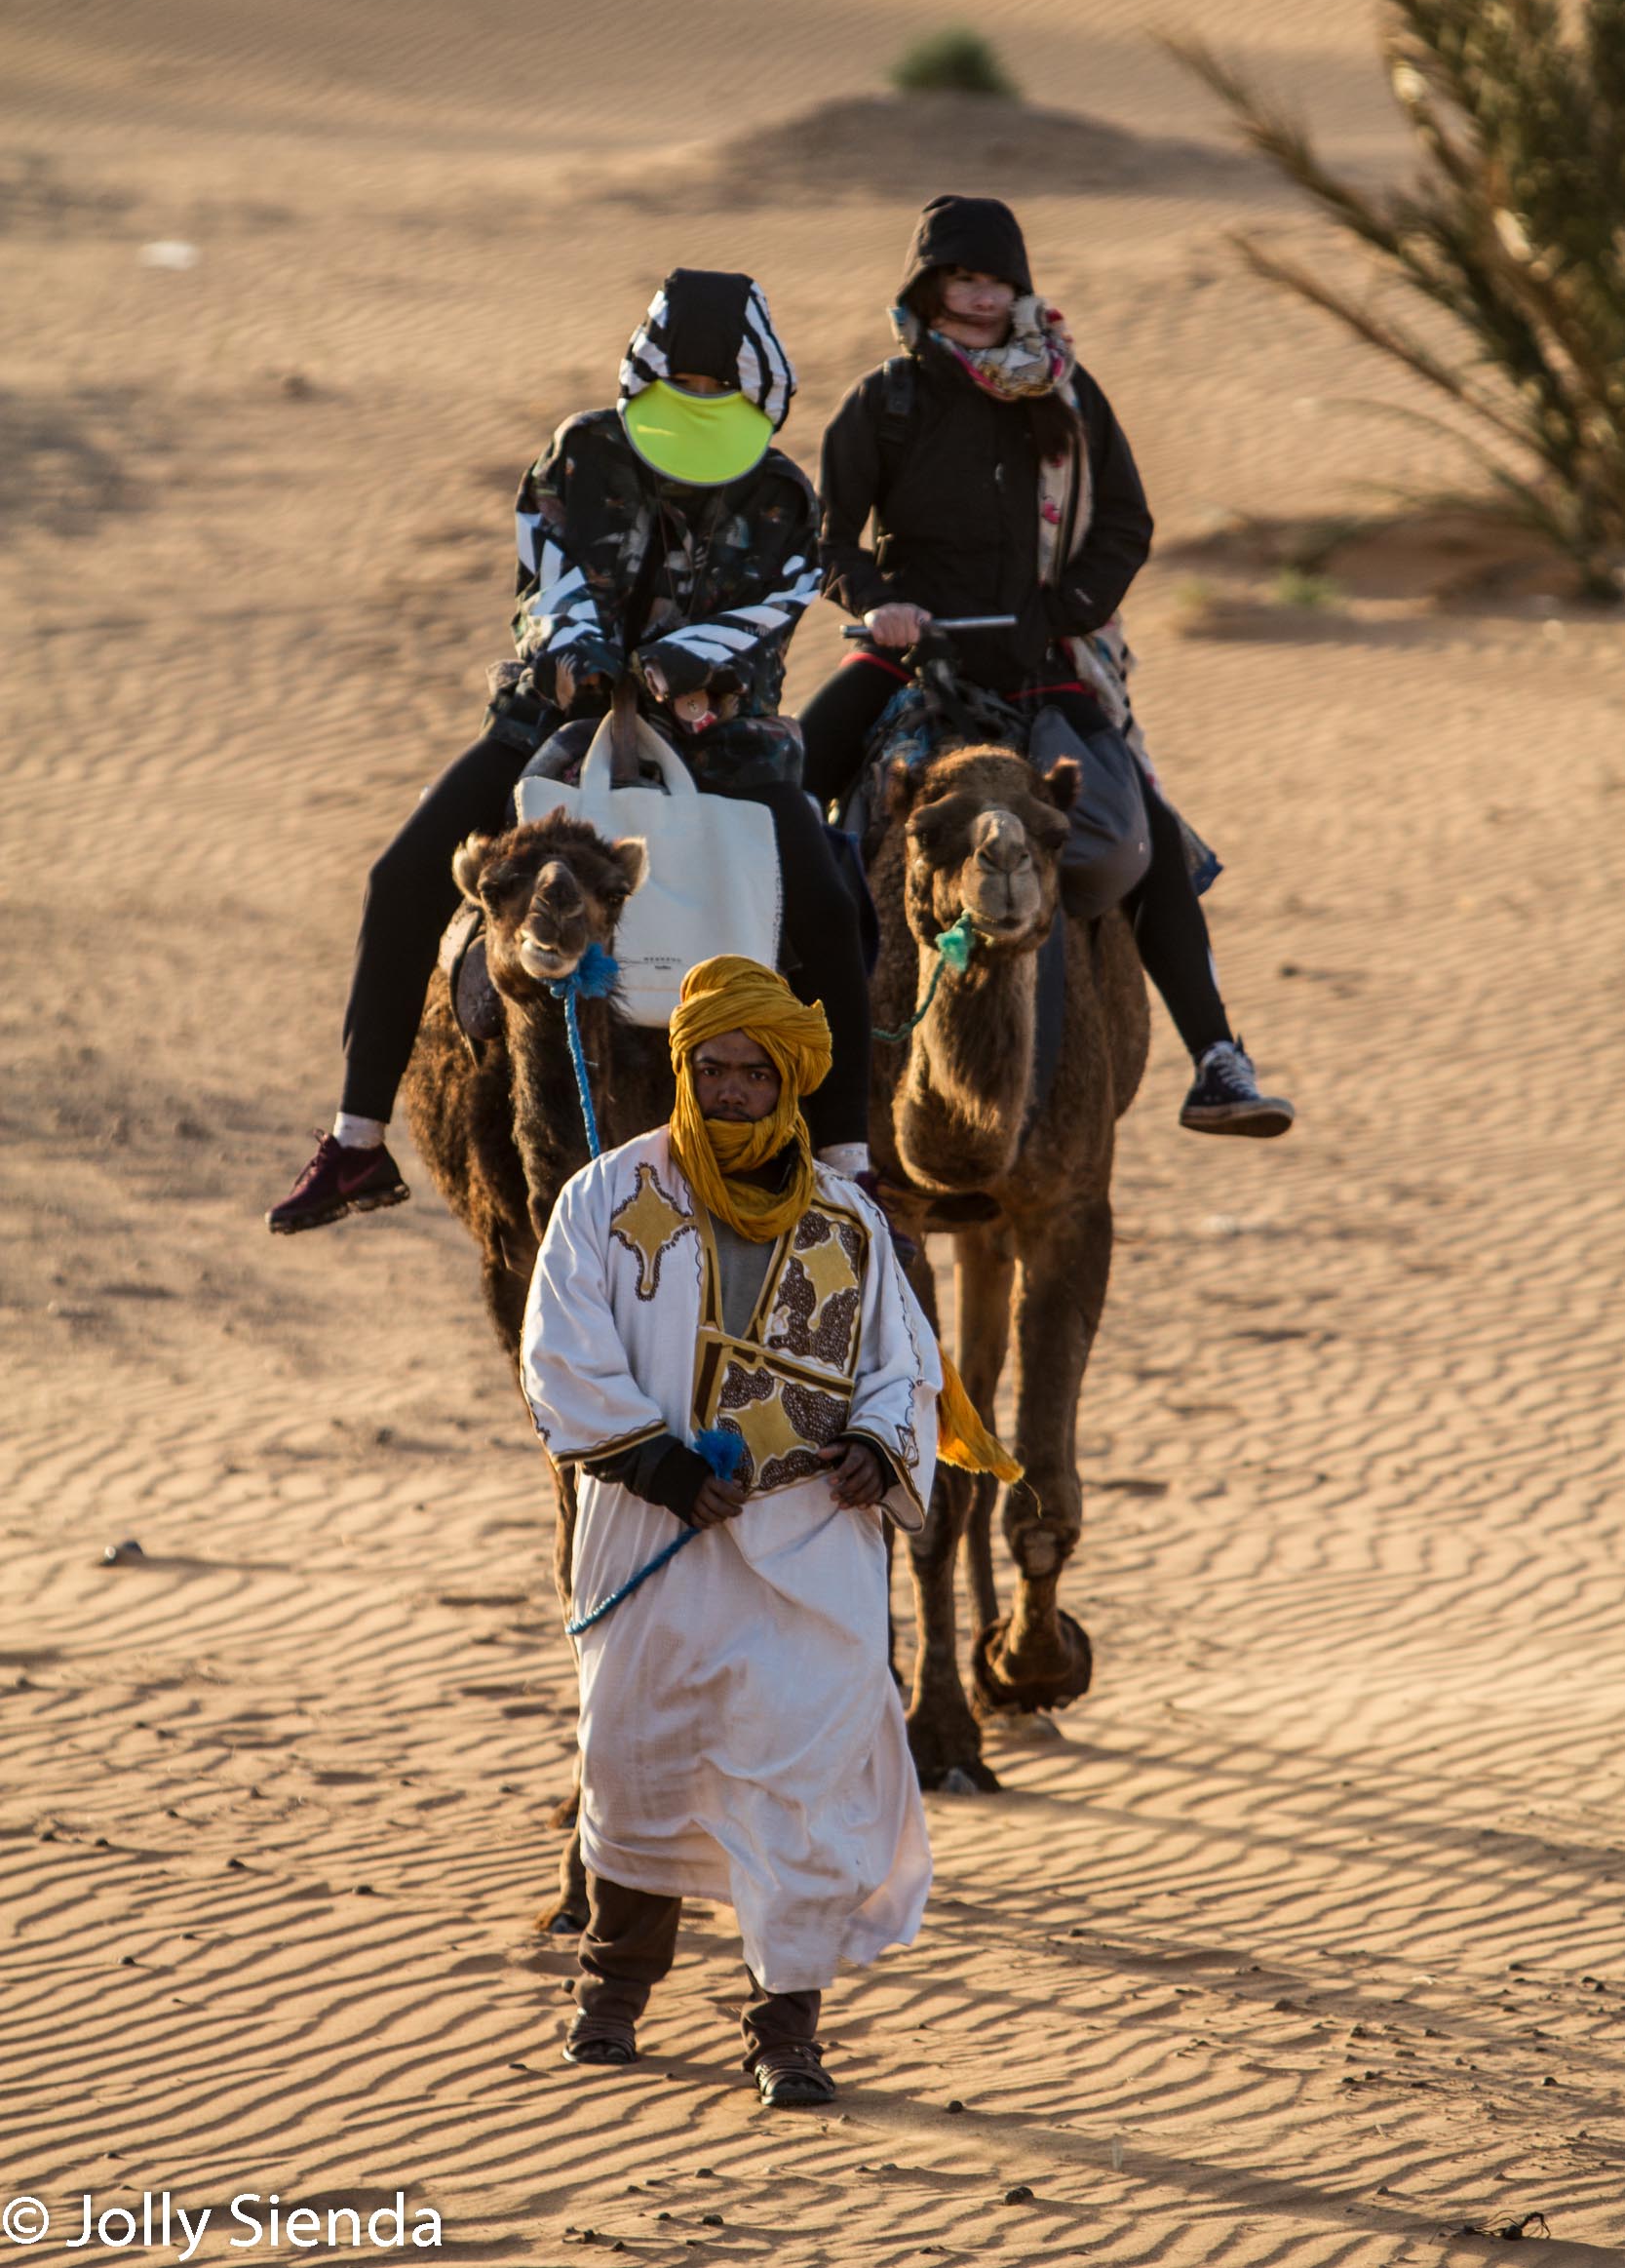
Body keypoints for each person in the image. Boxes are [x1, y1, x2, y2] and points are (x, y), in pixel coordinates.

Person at [267, 271, 872, 1234]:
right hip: (550, 723)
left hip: (724, 746)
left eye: (720, 388)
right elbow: (542, 574)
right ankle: (356, 1139)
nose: (703, 401)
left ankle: (845, 1158)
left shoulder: (781, 497)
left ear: (756, 394)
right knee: (398, 879)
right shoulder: (579, 452)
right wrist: (575, 653)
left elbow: (767, 615)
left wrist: (683, 666)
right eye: (687, 384)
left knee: (834, 908)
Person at [521, 955, 938, 2107]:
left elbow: (904, 1371)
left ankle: (783, 2033)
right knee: (633, 1762)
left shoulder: (847, 1217)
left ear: (789, 1080)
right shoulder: (606, 1196)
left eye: (755, 1071)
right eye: (712, 1068)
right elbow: (559, 1349)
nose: (733, 1088)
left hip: (807, 1551)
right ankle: (609, 1997)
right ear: (685, 1067)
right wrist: (653, 1462)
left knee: (797, 1786)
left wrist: (873, 1447)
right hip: (656, 1544)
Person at [798, 194, 1294, 1140]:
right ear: (928, 284)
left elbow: (1123, 526)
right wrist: (875, 604)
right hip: (915, 659)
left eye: (995, 280)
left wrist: (1065, 610)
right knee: (779, 786)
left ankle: (1217, 1061)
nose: (980, 298)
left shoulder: (1064, 393)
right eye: (961, 277)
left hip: (1042, 661)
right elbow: (830, 539)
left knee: (1141, 838)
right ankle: (759, 1044)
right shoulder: (883, 399)